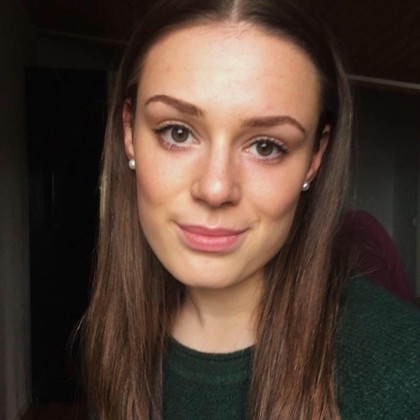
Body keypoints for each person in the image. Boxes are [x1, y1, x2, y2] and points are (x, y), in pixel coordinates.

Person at [80, 0, 420, 418]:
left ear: (314, 158)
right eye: (178, 132)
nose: (216, 188)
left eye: (265, 146)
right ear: (129, 133)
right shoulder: (114, 335)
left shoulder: (403, 371)